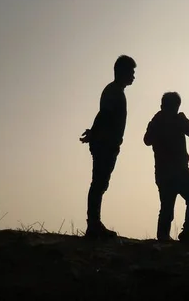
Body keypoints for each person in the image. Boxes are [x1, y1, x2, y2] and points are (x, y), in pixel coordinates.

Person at [79, 55, 136, 239]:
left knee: (100, 183)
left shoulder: (116, 91)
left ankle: (94, 223)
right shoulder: (113, 92)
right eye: (131, 72)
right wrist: (95, 133)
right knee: (99, 183)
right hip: (104, 143)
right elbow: (104, 114)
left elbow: (102, 114)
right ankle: (93, 224)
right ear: (122, 71)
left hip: (107, 143)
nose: (133, 76)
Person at [143, 92, 189, 244]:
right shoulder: (173, 120)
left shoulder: (159, 120)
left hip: (164, 170)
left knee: (168, 205)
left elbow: (147, 140)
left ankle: (167, 235)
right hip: (177, 170)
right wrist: (181, 120)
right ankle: (186, 231)